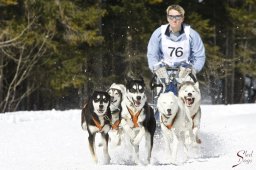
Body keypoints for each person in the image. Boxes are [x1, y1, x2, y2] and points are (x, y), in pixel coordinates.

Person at [147, 4, 205, 95]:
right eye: (171, 17)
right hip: (164, 72)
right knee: (164, 101)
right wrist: (156, 67)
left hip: (185, 72)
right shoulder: (158, 33)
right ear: (167, 18)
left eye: (177, 17)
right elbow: (152, 54)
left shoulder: (192, 34)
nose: (174, 20)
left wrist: (194, 69)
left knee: (186, 100)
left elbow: (200, 56)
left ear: (182, 18)